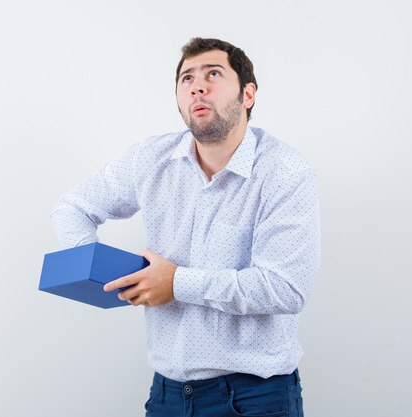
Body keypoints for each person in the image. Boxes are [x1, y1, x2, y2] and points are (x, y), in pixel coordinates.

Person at [50, 38, 319, 417]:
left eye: (213, 74)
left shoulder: (284, 172)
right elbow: (72, 208)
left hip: (256, 397)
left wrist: (175, 283)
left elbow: (285, 288)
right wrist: (98, 271)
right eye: (186, 78)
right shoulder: (150, 159)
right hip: (168, 396)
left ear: (248, 94)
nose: (197, 85)